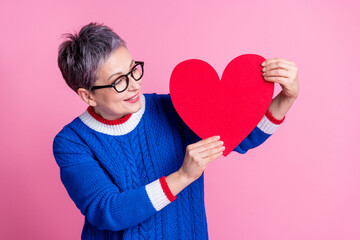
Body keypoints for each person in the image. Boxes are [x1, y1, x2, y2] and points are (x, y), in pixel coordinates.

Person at [53, 22, 298, 240]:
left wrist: (286, 98)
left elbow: (240, 138)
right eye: (120, 81)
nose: (135, 84)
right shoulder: (72, 142)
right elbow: (106, 211)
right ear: (88, 95)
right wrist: (183, 176)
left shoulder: (175, 108)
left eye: (133, 69)